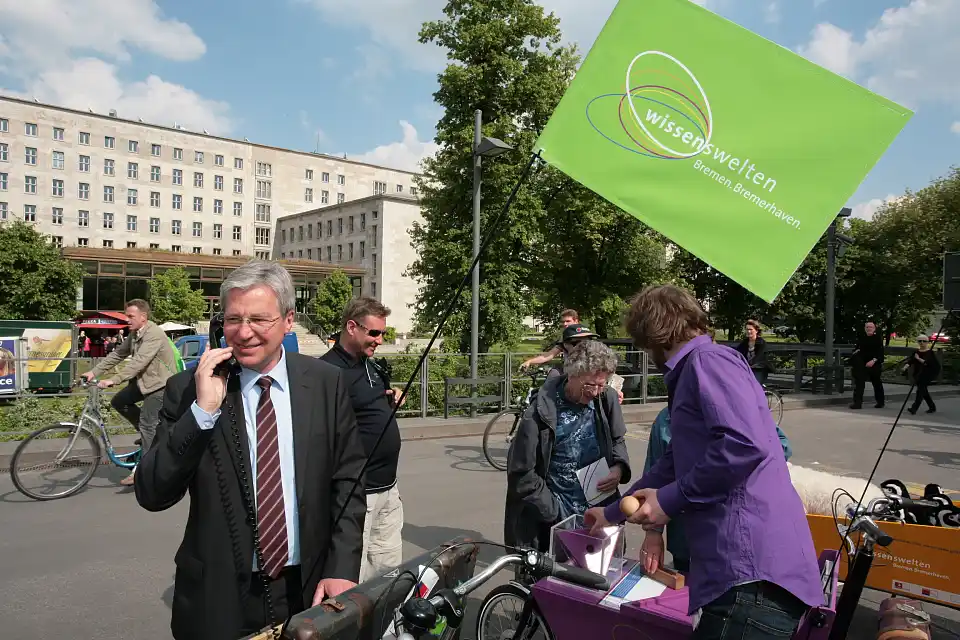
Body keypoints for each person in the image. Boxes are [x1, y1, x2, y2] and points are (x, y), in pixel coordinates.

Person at [134, 261, 367, 640]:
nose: (244, 333)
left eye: (260, 320)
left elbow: (348, 483)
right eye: (233, 320)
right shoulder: (190, 389)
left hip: (306, 588)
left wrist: (342, 567)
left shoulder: (326, 382)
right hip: (219, 597)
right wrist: (202, 412)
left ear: (288, 321)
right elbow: (152, 492)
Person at [586, 284, 822, 640]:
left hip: (751, 576)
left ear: (655, 334)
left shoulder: (707, 362)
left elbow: (744, 444)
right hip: (747, 578)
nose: (647, 353)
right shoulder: (704, 366)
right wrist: (611, 514)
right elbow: (672, 464)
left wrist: (669, 500)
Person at [504, 339, 631, 553]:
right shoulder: (541, 410)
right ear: (572, 374)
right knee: (555, 583)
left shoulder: (605, 399)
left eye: (602, 384)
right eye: (590, 385)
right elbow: (522, 474)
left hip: (599, 513)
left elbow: (618, 440)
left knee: (602, 580)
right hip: (553, 522)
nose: (596, 392)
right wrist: (556, 512)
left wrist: (618, 468)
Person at [642, 405, 794, 574]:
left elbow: (781, 446)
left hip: (730, 540)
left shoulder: (735, 407)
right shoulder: (665, 419)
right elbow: (655, 477)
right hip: (684, 541)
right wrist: (653, 534)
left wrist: (727, 464)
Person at [321, 297, 406, 583]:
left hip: (389, 489)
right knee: (352, 577)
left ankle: (381, 626)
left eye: (383, 333)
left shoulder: (371, 365)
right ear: (351, 327)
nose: (380, 340)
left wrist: (390, 397)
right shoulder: (328, 372)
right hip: (359, 494)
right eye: (374, 333)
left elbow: (369, 404)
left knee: (387, 573)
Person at [81, 299, 178, 486]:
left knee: (147, 424)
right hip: (143, 383)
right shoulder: (135, 334)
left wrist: (114, 380)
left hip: (159, 384)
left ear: (144, 317)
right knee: (119, 402)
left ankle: (145, 471)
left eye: (131, 316)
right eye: (127, 315)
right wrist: (94, 372)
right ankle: (152, 436)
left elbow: (138, 362)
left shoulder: (154, 334)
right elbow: (118, 354)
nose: (127, 319)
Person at [850, 321, 885, 409]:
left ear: (874, 329)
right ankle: (857, 403)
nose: (869, 329)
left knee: (877, 383)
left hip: (874, 363)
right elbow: (856, 350)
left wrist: (873, 361)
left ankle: (880, 402)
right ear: (865, 329)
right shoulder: (861, 338)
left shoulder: (877, 339)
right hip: (861, 364)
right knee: (859, 384)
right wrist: (855, 352)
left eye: (871, 327)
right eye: (867, 327)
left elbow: (880, 353)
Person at [902, 335, 940, 414]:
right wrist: (905, 367)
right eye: (920, 341)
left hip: (928, 374)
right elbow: (911, 361)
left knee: (920, 390)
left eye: (924, 341)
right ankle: (932, 407)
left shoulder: (930, 353)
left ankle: (914, 408)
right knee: (924, 391)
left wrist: (919, 359)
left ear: (927, 342)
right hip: (918, 373)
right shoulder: (916, 352)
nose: (922, 343)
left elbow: (930, 364)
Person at [734, 319, 772, 386]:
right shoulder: (745, 342)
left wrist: (747, 365)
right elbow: (737, 352)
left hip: (759, 369)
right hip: (748, 369)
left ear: (756, 330)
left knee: (754, 386)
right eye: (747, 329)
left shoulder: (761, 343)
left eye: (751, 329)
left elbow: (758, 357)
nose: (748, 331)